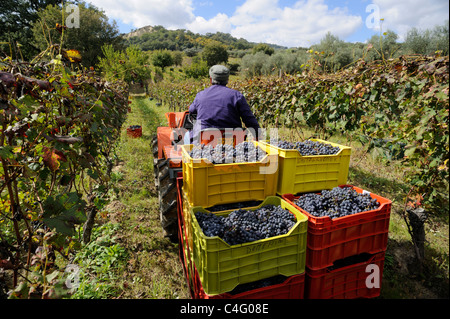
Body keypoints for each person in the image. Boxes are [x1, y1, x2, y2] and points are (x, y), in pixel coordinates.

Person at [188, 65, 260, 144]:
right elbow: (249, 119)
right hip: (233, 143)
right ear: (227, 80)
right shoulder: (237, 96)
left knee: (191, 131)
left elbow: (191, 110)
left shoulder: (200, 95)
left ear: (211, 79)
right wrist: (257, 136)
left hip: (204, 142)